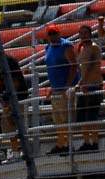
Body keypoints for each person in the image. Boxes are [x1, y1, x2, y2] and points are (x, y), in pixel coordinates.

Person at [0, 43, 30, 161]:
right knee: (9, 125)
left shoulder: (10, 61)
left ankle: (23, 151)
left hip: (18, 96)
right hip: (6, 97)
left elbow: (16, 81)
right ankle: (15, 152)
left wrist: (11, 98)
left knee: (18, 124)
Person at [45, 24, 79, 154]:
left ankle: (69, 145)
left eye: (54, 33)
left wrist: (67, 85)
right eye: (50, 34)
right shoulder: (48, 47)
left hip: (65, 88)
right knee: (57, 119)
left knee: (66, 118)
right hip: (56, 88)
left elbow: (73, 65)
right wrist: (52, 87)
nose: (52, 36)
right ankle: (61, 144)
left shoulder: (66, 45)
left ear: (59, 33)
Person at [76, 25, 104, 152]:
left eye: (85, 33)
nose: (83, 35)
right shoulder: (81, 48)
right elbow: (80, 68)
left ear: (90, 34)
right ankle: (87, 142)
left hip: (93, 85)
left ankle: (95, 142)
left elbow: (90, 66)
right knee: (82, 116)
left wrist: (81, 83)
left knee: (92, 115)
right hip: (84, 86)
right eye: (81, 33)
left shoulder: (94, 47)